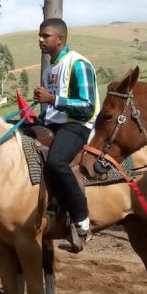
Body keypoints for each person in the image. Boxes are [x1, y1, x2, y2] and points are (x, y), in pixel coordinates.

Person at [32, 18, 99, 252]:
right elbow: (51, 108)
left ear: (60, 39)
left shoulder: (78, 64)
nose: (40, 39)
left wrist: (53, 100)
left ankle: (81, 218)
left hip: (78, 125)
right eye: (39, 35)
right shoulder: (50, 68)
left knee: (57, 162)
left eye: (45, 35)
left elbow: (88, 106)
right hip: (55, 123)